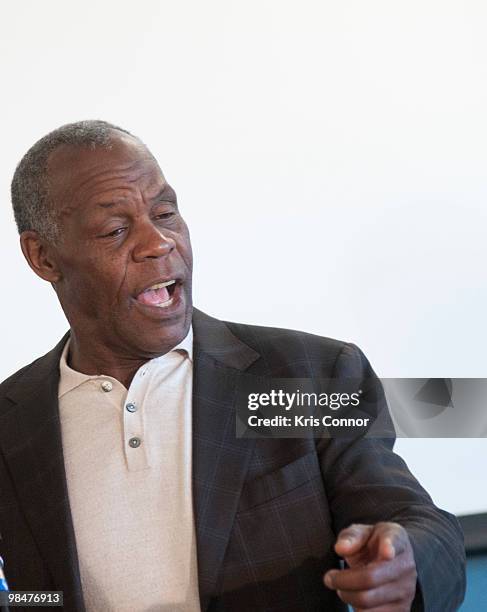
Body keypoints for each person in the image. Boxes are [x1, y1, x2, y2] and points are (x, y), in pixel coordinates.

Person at [0, 121, 465, 612]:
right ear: (44, 257)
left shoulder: (307, 375)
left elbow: (418, 522)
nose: (159, 242)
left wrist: (404, 562)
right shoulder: (11, 428)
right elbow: (38, 597)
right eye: (116, 229)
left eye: (165, 212)